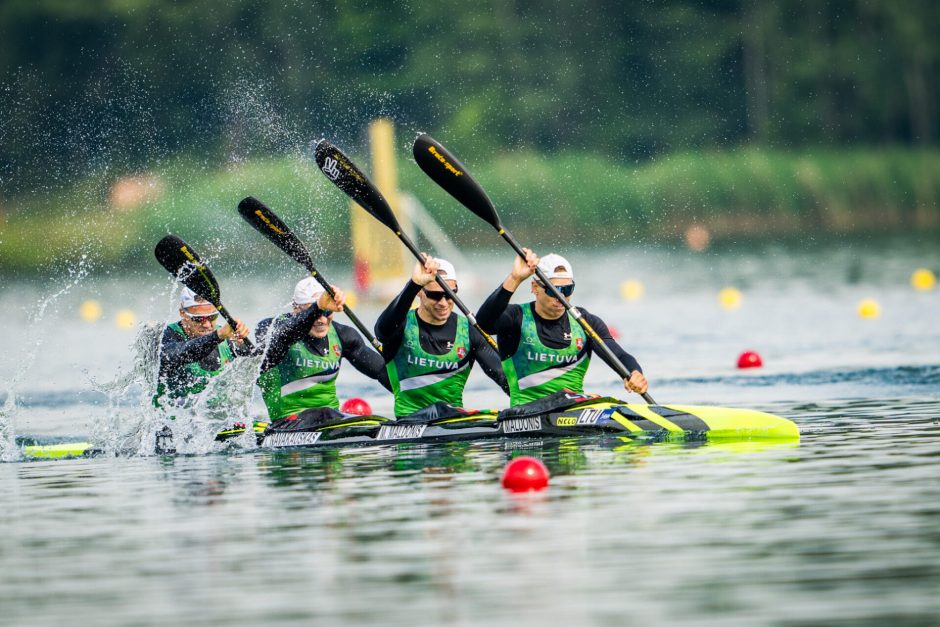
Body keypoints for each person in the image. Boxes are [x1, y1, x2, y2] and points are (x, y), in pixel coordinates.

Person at [476, 251, 648, 406]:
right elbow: (483, 322)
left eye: (567, 289)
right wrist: (515, 278)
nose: (562, 296)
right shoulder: (515, 318)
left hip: (574, 409)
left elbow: (618, 354)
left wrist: (634, 373)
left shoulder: (585, 322)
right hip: (527, 412)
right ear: (535, 288)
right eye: (554, 290)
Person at [375, 256, 509, 417]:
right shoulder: (399, 327)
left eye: (449, 295)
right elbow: (381, 331)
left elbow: (502, 377)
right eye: (435, 295)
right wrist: (413, 284)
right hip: (409, 424)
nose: (443, 303)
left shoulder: (469, 331)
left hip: (454, 423)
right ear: (420, 292)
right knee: (437, 409)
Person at [255, 277, 389, 421]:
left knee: (359, 409)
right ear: (295, 309)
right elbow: (281, 342)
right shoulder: (270, 328)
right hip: (288, 422)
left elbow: (381, 371)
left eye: (327, 312)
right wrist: (318, 307)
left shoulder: (344, 335)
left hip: (331, 419)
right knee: (326, 413)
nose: (322, 320)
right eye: (315, 313)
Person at [156, 287, 253, 405]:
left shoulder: (227, 337)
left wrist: (242, 346)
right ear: (182, 313)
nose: (207, 325)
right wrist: (217, 336)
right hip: (172, 418)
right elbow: (173, 355)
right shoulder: (166, 336)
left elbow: (257, 370)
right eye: (198, 319)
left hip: (216, 418)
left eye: (212, 317)